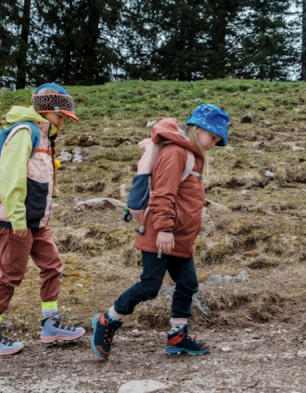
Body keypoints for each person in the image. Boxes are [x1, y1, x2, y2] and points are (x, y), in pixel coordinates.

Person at [91, 104, 230, 359]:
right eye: (213, 136)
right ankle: (108, 320)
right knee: (149, 286)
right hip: (162, 233)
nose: (214, 143)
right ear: (198, 129)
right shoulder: (177, 152)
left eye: (219, 140)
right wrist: (165, 229)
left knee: (188, 284)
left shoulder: (191, 155)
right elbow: (163, 193)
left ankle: (178, 335)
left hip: (179, 236)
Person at [0, 83, 86, 355]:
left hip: (37, 221)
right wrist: (16, 220)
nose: (63, 122)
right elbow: (11, 177)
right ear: (47, 111)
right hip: (17, 222)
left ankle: (51, 324)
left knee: (52, 265)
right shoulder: (24, 133)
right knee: (10, 274)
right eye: (61, 116)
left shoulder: (44, 136)